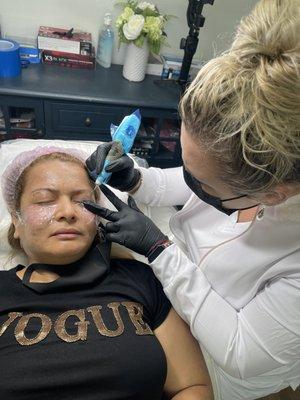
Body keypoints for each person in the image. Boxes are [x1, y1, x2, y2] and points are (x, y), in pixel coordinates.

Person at [83, 1, 300, 399]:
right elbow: (192, 180)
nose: (191, 184)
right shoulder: (237, 176)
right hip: (166, 294)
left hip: (222, 361)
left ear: (272, 194)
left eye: (205, 186)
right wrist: (136, 179)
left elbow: (240, 351)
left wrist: (160, 250)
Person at [0, 146, 213, 400]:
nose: (68, 212)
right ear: (16, 223)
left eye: (82, 201)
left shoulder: (140, 279)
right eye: (45, 200)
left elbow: (191, 387)